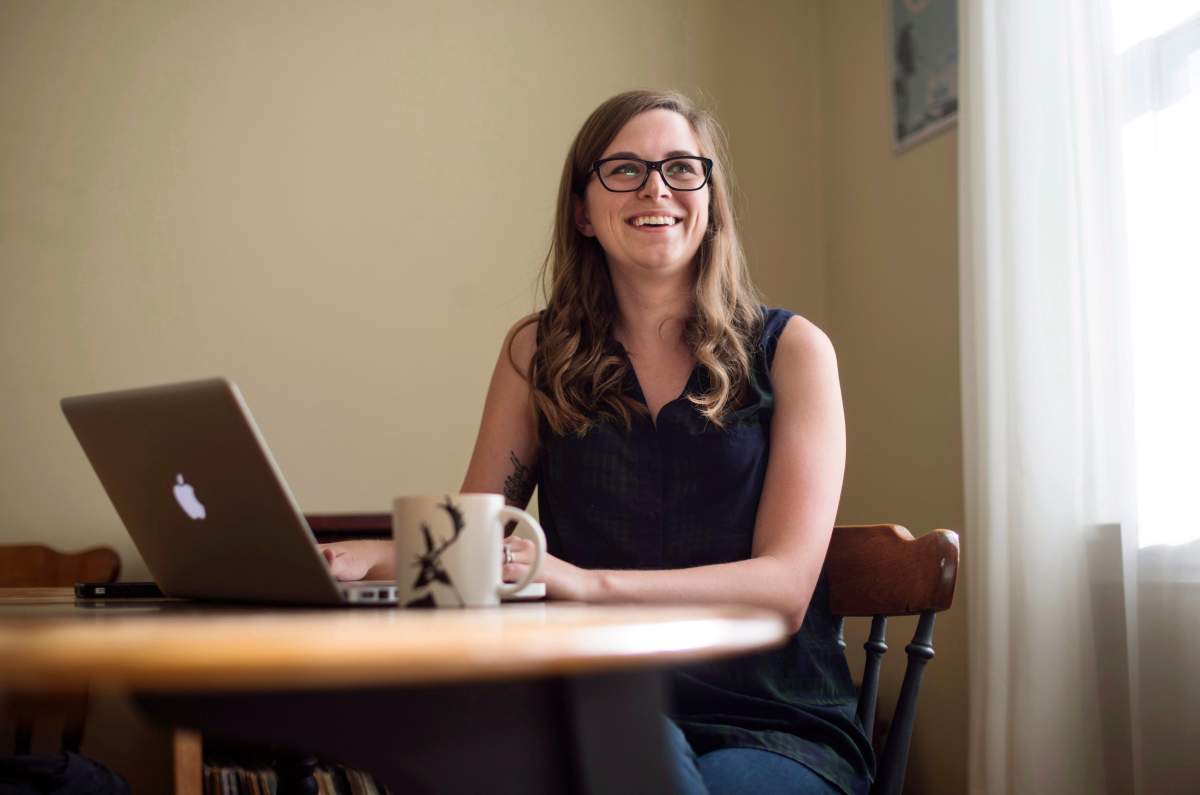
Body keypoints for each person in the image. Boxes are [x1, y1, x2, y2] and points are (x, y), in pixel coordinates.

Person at [320, 89, 874, 795]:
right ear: (583, 210)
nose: (656, 188)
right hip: (601, 701)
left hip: (778, 723)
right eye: (625, 170)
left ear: (710, 202)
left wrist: (582, 583)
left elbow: (785, 590)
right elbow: (477, 541)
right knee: (608, 743)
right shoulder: (536, 350)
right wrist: (370, 556)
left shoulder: (794, 351)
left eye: (681, 168)